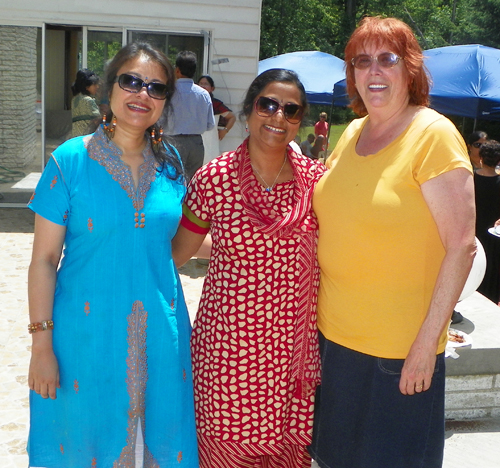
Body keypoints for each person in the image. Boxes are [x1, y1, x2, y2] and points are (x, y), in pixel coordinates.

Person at [309, 17, 476, 468]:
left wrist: (426, 345)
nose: (374, 71)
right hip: (334, 343)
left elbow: (462, 247)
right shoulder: (352, 133)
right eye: (362, 61)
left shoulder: (434, 135)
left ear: (411, 70)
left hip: (399, 354)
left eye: (388, 59)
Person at [26, 42, 198, 468]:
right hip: (84, 340)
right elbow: (44, 261)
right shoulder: (69, 160)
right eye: (131, 81)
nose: (143, 94)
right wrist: (41, 347)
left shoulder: (171, 162)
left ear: (165, 101)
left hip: (161, 333)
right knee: (84, 443)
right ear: (110, 89)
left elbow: (172, 245)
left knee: (153, 444)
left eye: (156, 88)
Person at [172, 69, 326, 468]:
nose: (278, 117)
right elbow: (178, 252)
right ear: (249, 111)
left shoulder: (318, 184)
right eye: (268, 104)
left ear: (300, 121)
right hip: (227, 358)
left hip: (290, 360)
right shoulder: (214, 179)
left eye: (291, 110)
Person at [160, 51, 215, 180]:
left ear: (177, 70)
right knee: (192, 184)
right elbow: (210, 124)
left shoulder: (168, 92)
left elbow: (159, 120)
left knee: (171, 181)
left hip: (172, 141)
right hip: (196, 143)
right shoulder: (203, 94)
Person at [474, 140, 500, 304]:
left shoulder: (470, 179)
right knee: (493, 271)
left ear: (481, 158)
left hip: (473, 233)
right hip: (494, 238)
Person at [198, 74, 237, 163]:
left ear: (212, 88)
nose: (203, 86)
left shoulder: (215, 104)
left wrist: (225, 131)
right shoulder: (193, 102)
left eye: (206, 84)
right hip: (195, 141)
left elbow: (232, 117)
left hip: (211, 141)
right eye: (201, 83)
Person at [70, 69, 101, 137]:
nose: (97, 87)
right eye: (94, 84)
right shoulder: (88, 101)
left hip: (75, 137)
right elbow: (98, 121)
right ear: (87, 86)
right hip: (86, 138)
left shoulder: (74, 99)